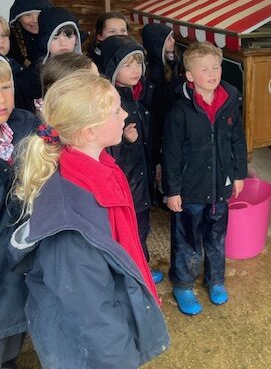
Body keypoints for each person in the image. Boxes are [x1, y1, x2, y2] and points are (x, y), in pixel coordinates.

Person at [9, 71, 170, 369]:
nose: (124, 114)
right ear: (89, 132)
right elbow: (91, 314)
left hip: (114, 309)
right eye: (115, 111)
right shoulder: (70, 223)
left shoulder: (101, 167)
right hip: (95, 352)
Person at [163, 41, 247, 315]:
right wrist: (172, 190)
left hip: (220, 184)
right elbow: (172, 153)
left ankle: (215, 280)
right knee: (187, 238)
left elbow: (237, 139)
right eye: (204, 69)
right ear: (189, 76)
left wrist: (238, 174)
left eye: (216, 67)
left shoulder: (230, 100)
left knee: (216, 236)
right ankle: (184, 284)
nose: (212, 73)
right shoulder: (180, 110)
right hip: (190, 189)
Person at [100, 34, 163, 284]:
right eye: (127, 64)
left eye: (138, 63)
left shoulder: (141, 96)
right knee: (126, 232)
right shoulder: (110, 104)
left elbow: (152, 137)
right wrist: (124, 140)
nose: (136, 69)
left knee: (142, 229)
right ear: (113, 68)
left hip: (142, 181)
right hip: (125, 184)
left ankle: (142, 269)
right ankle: (130, 276)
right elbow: (103, 153)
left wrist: (156, 164)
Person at [0, 57, 37, 369]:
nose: (2, 99)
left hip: (20, 252)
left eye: (7, 87)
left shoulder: (27, 125)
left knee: (12, 330)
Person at [141, 23, 184, 200]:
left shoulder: (172, 62)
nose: (174, 41)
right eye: (169, 39)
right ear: (158, 43)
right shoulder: (155, 71)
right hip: (162, 118)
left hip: (172, 115)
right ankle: (162, 194)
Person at [14, 6, 84, 113]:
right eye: (54, 38)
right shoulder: (30, 79)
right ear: (44, 40)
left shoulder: (87, 69)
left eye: (68, 36)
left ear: (76, 38)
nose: (63, 43)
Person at [8, 0, 51, 68]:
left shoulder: (55, 36)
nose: (35, 20)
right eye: (28, 15)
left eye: (39, 14)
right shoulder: (9, 41)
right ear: (18, 18)